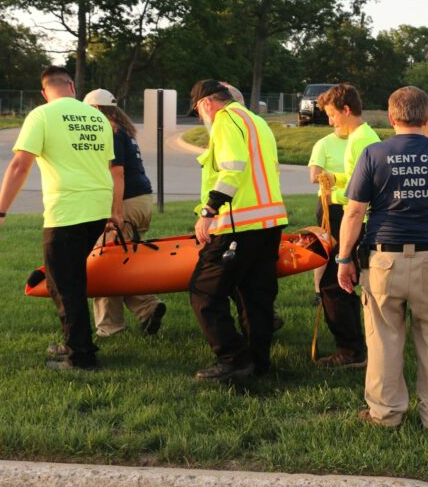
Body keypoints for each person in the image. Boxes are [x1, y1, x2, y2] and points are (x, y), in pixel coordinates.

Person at [337, 86, 428, 428]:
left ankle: (385, 414)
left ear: (390, 115)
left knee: (383, 338)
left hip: (385, 261)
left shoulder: (373, 153)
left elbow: (354, 214)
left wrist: (343, 259)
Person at [0, 66, 116, 371]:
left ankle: (81, 356)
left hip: (68, 211)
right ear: (71, 85)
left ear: (45, 92)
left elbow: (20, 165)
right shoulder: (98, 117)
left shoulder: (42, 115)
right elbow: (106, 165)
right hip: (97, 208)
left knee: (63, 285)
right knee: (73, 279)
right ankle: (75, 343)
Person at [188, 79, 289, 381]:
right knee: (254, 296)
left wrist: (209, 210)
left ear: (206, 103)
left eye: (198, 112)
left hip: (238, 223)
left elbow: (233, 167)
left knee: (204, 291)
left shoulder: (224, 119)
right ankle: (258, 364)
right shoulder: (256, 121)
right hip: (268, 222)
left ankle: (232, 358)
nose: (202, 118)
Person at [82, 89, 166, 337]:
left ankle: (110, 327)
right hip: (141, 201)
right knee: (121, 259)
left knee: (104, 262)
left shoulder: (108, 130)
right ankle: (147, 309)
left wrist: (114, 212)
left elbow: (117, 174)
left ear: (95, 109)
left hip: (126, 203)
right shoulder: (123, 129)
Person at [315, 84, 381, 368]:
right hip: (357, 218)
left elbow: (363, 191)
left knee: (332, 284)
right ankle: (359, 345)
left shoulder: (360, 140)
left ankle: (352, 350)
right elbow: (357, 178)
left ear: (346, 110)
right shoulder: (362, 136)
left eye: (332, 115)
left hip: (357, 220)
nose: (330, 122)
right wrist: (335, 178)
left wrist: (338, 191)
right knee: (344, 282)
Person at [307, 126, 348, 301]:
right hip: (330, 204)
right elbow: (314, 176)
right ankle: (319, 291)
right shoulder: (323, 144)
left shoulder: (359, 140)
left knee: (347, 247)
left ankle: (344, 285)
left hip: (353, 203)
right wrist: (340, 178)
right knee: (328, 246)